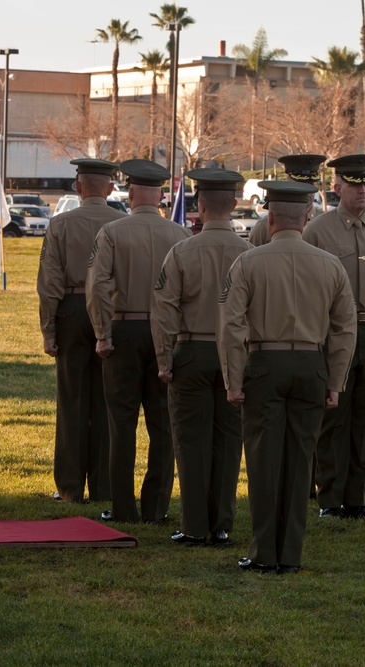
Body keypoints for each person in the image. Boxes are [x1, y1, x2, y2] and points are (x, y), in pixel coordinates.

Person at [219, 180, 357, 574]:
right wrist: (335, 382)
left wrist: (233, 379)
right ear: (308, 216)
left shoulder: (248, 261)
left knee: (264, 460)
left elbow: (231, 325)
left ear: (271, 216)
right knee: (301, 462)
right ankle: (290, 553)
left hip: (264, 363)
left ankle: (265, 552)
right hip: (312, 366)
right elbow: (346, 328)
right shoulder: (330, 265)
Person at [86, 159, 191, 524]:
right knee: (163, 425)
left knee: (122, 422)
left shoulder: (113, 232)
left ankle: (123, 507)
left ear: (130, 193)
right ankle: (156, 507)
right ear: (161, 194)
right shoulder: (179, 235)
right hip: (168, 334)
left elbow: (97, 286)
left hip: (125, 330)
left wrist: (102, 333)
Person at [151, 168, 252, 546]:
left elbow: (164, 310)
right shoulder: (249, 253)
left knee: (191, 441)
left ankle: (194, 525)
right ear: (236, 204)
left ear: (200, 204)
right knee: (228, 443)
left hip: (192, 350)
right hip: (236, 356)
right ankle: (221, 523)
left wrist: (165, 360)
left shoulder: (182, 251)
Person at [302, 154, 365, 521]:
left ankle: (357, 498)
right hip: (335, 331)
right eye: (354, 184)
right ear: (337, 187)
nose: (361, 190)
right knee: (333, 418)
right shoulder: (319, 230)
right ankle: (329, 498)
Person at [37, 158, 124, 503]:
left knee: (72, 400)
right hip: (112, 312)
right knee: (106, 400)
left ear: (77, 187)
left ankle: (70, 487)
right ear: (111, 189)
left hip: (72, 310)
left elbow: (50, 282)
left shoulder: (60, 224)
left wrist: (48, 328)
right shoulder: (123, 224)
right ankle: (103, 486)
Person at [249, 154, 327, 247]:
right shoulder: (264, 227)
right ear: (287, 183)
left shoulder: (327, 224)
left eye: (311, 185)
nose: (306, 192)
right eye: (300, 186)